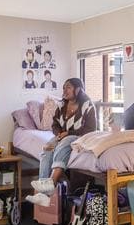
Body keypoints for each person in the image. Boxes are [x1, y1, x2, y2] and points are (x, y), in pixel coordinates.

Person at [27, 78, 97, 206]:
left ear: (78, 89)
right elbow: (55, 124)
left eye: (68, 87)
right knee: (47, 149)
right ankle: (42, 195)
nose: (64, 90)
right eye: (63, 87)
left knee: (65, 143)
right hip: (63, 135)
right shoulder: (62, 105)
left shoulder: (88, 106)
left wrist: (68, 134)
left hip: (80, 136)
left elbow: (90, 129)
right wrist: (58, 134)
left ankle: (47, 189)